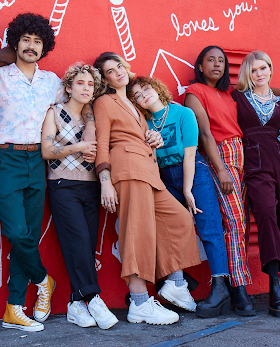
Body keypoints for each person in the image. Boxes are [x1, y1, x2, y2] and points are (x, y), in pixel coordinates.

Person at [0, 13, 94, 332]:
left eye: (38, 41)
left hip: (39, 161)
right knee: (16, 233)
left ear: (45, 46)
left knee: (29, 235)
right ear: (15, 42)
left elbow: (79, 109)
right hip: (5, 157)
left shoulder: (52, 82)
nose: (31, 46)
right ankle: (43, 280)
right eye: (26, 40)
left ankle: (14, 307)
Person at [184, 46, 280, 317]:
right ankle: (238, 288)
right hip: (223, 156)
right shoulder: (195, 92)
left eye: (221, 61)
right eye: (210, 60)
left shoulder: (229, 93)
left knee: (246, 217)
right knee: (237, 222)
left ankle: (248, 287)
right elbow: (204, 132)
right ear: (200, 66)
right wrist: (221, 170)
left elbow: (264, 90)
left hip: (245, 156)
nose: (217, 65)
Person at [93, 52, 201, 325]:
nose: (118, 72)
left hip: (149, 172)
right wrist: (105, 180)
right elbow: (103, 141)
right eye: (110, 71)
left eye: (119, 66)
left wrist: (152, 136)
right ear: (105, 80)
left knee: (178, 219)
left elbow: (140, 132)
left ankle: (175, 283)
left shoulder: (134, 104)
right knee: (137, 233)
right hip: (127, 169)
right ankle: (140, 302)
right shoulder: (105, 102)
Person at [129, 76, 231, 318]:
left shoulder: (183, 113)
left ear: (156, 87)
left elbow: (189, 154)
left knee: (209, 226)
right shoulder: (142, 122)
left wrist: (187, 191)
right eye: (138, 95)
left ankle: (220, 287)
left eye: (146, 89)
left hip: (194, 174)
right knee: (169, 228)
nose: (144, 95)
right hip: (164, 177)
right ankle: (177, 283)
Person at [232, 50, 280, 318]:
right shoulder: (238, 99)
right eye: (253, 70)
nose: (259, 74)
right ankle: (274, 285)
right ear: (247, 73)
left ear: (270, 68)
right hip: (255, 168)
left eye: (263, 68)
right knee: (266, 217)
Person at [41, 63, 119, 330]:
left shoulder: (93, 116)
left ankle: (76, 303)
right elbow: (47, 151)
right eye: (80, 83)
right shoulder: (55, 112)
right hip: (63, 185)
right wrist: (79, 147)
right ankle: (94, 297)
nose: (86, 88)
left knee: (84, 246)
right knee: (77, 240)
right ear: (68, 87)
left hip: (91, 187)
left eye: (90, 85)